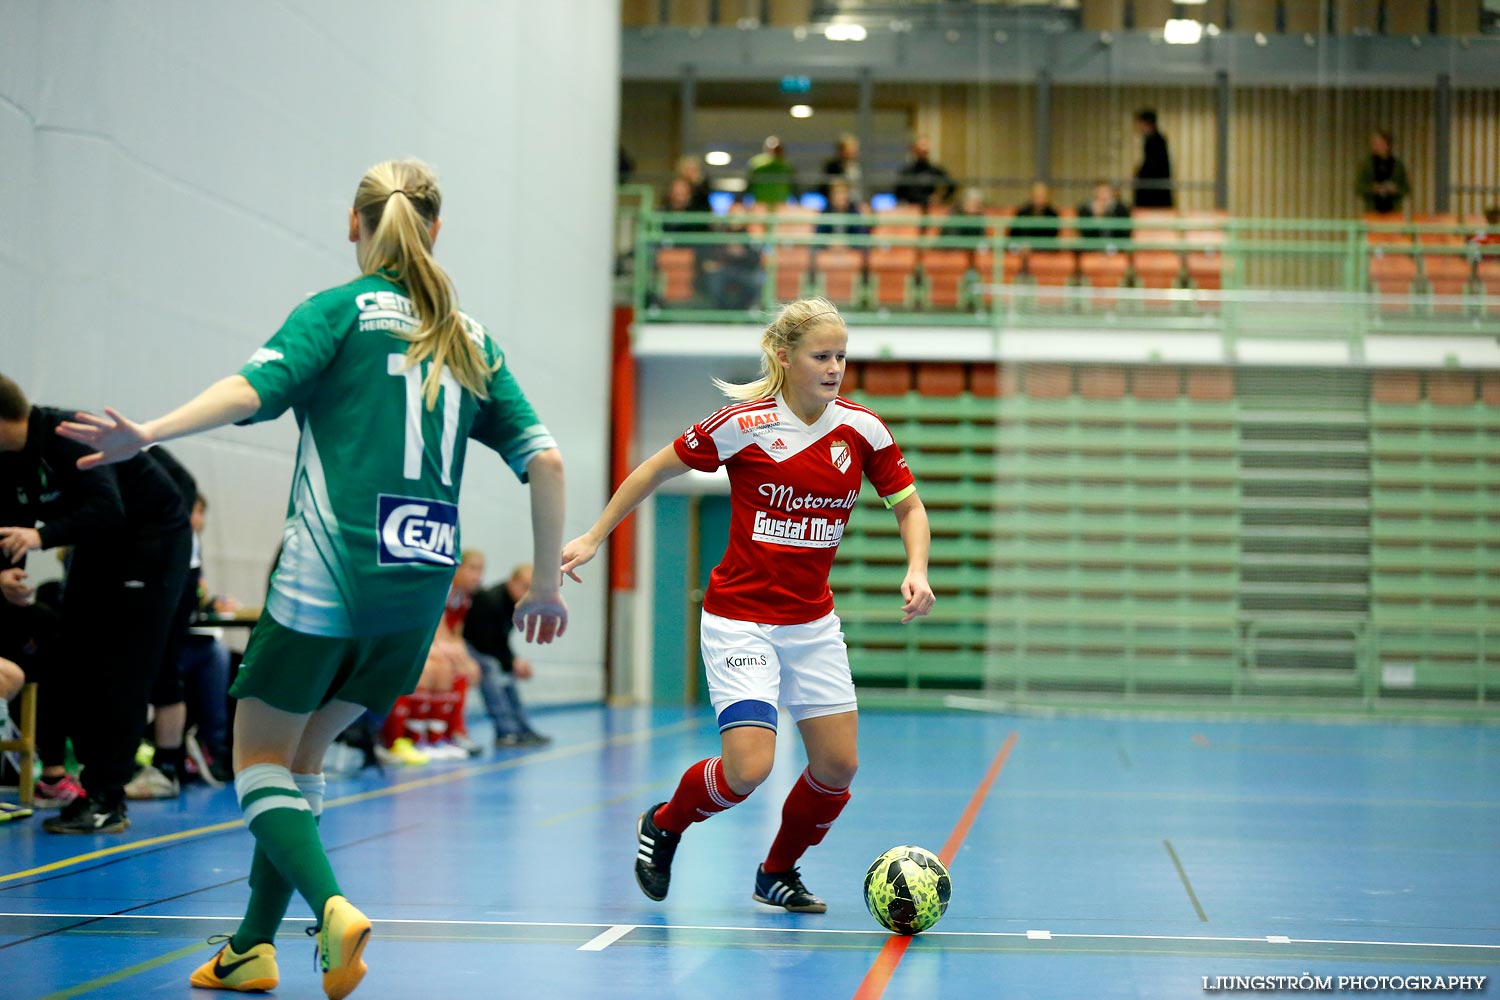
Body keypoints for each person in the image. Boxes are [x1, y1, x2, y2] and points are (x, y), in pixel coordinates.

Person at [57, 159, 569, 1000]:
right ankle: (252, 948)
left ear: (353, 224)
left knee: (256, 757)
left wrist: (149, 430)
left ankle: (330, 907)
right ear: (436, 231)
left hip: (329, 576)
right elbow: (544, 461)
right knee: (303, 759)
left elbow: (248, 390)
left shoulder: (335, 313)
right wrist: (543, 585)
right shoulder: (472, 340)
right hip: (418, 592)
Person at [561, 297, 934, 915]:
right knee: (748, 768)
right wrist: (595, 535)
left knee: (838, 766)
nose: (836, 366)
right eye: (822, 355)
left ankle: (777, 872)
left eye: (842, 355)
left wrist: (916, 568)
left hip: (812, 621)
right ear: (784, 358)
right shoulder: (742, 423)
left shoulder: (863, 429)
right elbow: (652, 471)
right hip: (740, 619)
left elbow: (909, 507)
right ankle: (665, 821)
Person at [0, 375, 192, 835]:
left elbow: (108, 508)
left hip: (150, 542)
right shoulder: (11, 458)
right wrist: (10, 575)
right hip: (99, 546)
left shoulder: (65, 434)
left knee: (122, 670)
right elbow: (14, 521)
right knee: (74, 657)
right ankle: (86, 784)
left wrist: (42, 537)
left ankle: (109, 800)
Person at [466, 563, 551, 747]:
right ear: (512, 581)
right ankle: (506, 731)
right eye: (525, 587)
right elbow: (484, 641)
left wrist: (514, 661)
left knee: (508, 677)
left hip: (486, 648)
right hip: (472, 647)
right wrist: (511, 662)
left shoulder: (513, 605)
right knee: (492, 671)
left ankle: (522, 728)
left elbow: (501, 640)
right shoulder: (491, 600)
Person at [1355, 129, 1411, 215]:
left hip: (1394, 211)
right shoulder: (1366, 165)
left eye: (1378, 143)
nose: (1374, 146)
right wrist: (1373, 188)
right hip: (1372, 210)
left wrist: (1395, 189)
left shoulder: (1398, 165)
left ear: (1387, 145)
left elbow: (1407, 189)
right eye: (1373, 143)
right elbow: (1358, 187)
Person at [893, 136, 955, 210]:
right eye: (920, 149)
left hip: (930, 208)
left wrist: (940, 198)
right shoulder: (906, 171)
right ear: (914, 149)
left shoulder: (934, 169)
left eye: (925, 150)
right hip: (911, 209)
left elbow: (951, 185)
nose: (923, 151)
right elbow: (898, 193)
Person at [1132, 109, 1174, 209]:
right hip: (1155, 189)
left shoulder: (1156, 141)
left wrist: (1138, 174)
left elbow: (1152, 166)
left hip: (1154, 191)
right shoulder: (1153, 140)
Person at [746, 136, 798, 208]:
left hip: (780, 203)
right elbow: (749, 183)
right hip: (761, 203)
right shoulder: (757, 163)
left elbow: (793, 184)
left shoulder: (787, 166)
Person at [1010, 181, 1061, 246]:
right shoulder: (1022, 213)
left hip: (1045, 251)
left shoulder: (1052, 215)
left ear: (1048, 198)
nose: (1039, 201)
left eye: (1042, 197)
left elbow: (1052, 239)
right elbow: (1013, 240)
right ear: (1032, 197)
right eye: (1037, 197)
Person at [819, 133, 864, 205]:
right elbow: (825, 188)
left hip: (856, 203)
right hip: (837, 205)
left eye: (854, 150)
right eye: (849, 149)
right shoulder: (832, 166)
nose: (852, 153)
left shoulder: (860, 166)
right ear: (841, 151)